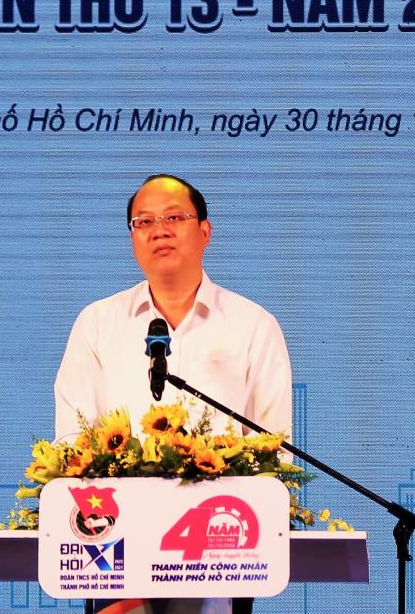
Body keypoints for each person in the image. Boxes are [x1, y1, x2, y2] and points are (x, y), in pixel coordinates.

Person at [54, 173, 293, 614]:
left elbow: (274, 449)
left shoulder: (253, 326)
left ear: (205, 231)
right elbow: (72, 441)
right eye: (143, 221)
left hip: (221, 547)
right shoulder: (98, 324)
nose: (158, 230)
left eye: (173, 217)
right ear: (132, 238)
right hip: (114, 552)